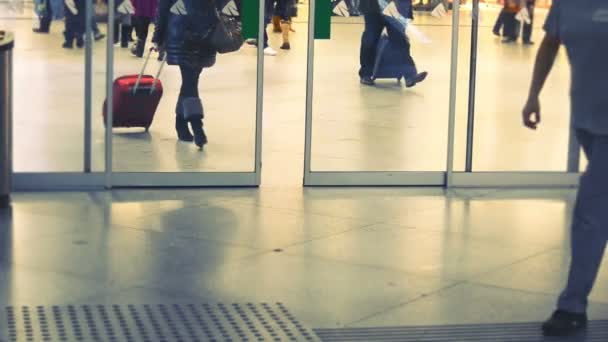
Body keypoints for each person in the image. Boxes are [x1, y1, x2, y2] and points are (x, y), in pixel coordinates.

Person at [522, 0, 608, 337]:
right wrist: (533, 96)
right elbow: (549, 43)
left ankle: (572, 307)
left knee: (590, 208)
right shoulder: (567, 4)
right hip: (588, 120)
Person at [153, 0, 219, 148]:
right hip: (185, 32)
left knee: (191, 80)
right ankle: (196, 124)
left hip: (203, 33)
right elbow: (163, 6)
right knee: (190, 80)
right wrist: (157, 36)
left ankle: (181, 121)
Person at [358, 0, 427, 87]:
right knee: (370, 39)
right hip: (373, 6)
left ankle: (410, 75)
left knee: (400, 40)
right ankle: (366, 74)